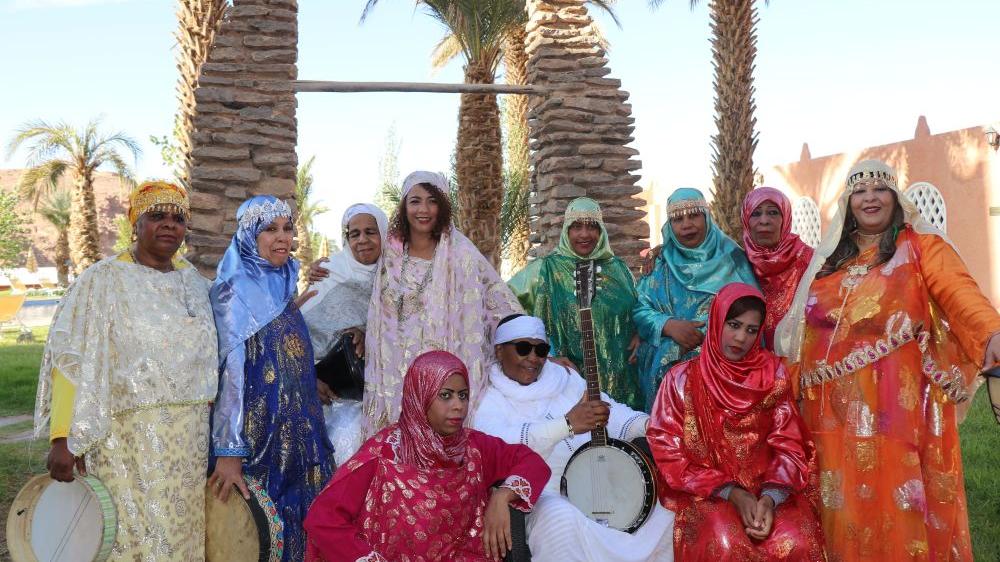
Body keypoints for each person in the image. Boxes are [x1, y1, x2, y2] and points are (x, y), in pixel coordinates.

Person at [774, 160, 1000, 562]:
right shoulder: (830, 260)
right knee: (839, 503)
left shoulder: (920, 247)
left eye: (880, 189)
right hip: (829, 418)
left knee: (896, 498)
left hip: (895, 410)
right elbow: (798, 332)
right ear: (848, 202)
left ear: (896, 198)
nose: (870, 198)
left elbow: (959, 292)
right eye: (860, 191)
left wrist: (990, 333)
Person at [35, 181, 218, 560]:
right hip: (123, 439)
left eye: (178, 218)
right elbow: (70, 360)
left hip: (189, 442)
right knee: (128, 538)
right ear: (135, 223)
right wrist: (62, 437)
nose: (169, 225)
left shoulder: (198, 285)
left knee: (180, 536)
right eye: (157, 216)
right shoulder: (101, 281)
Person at [304, 350, 551, 561]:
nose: (458, 406)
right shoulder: (385, 454)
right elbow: (323, 519)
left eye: (463, 395)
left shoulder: (474, 447)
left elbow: (530, 461)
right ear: (419, 396)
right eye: (445, 395)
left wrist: (503, 496)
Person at [472, 314, 675, 562]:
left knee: (665, 518)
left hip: (598, 482)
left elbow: (612, 411)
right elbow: (501, 448)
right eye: (523, 348)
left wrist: (655, 425)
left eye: (541, 350)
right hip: (543, 494)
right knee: (561, 522)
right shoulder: (489, 400)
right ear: (500, 350)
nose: (533, 358)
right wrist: (566, 425)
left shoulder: (565, 379)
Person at [648, 283, 825, 561]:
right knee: (725, 544)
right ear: (717, 320)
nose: (740, 337)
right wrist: (731, 493)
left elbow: (790, 446)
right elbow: (667, 451)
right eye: (733, 324)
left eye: (751, 330)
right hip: (708, 493)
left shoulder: (773, 375)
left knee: (798, 540)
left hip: (768, 488)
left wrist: (769, 499)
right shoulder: (681, 380)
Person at [208, 195, 335, 562]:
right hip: (258, 436)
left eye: (287, 227)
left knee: (306, 524)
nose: (283, 237)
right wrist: (229, 451)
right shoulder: (233, 291)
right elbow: (230, 378)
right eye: (270, 229)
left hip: (301, 428)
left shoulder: (282, 279)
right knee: (262, 532)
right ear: (249, 235)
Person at [362, 170, 523, 435]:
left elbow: (501, 304)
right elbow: (356, 272)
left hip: (447, 372)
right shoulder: (390, 253)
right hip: (395, 376)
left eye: (432, 200)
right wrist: (325, 270)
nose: (423, 209)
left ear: (443, 205)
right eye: (415, 201)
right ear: (404, 206)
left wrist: (537, 349)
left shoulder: (461, 252)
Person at [508, 198, 643, 410]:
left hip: (623, 382)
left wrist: (642, 332)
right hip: (567, 386)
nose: (584, 234)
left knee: (623, 435)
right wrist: (543, 353)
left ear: (601, 231)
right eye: (576, 227)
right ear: (566, 231)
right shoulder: (545, 270)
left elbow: (640, 308)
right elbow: (504, 304)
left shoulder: (619, 270)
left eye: (592, 226)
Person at [633, 188, 757, 410]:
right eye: (678, 219)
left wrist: (704, 337)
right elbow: (640, 308)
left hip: (725, 376)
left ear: (706, 217)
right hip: (670, 385)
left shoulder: (733, 258)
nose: (686, 224)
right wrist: (668, 326)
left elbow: (754, 311)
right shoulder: (660, 264)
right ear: (669, 225)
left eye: (693, 215)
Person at [301, 203, 388, 465]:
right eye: (354, 233)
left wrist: (367, 333)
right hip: (316, 388)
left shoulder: (395, 277)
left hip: (370, 395)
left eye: (370, 232)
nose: (362, 240)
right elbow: (297, 332)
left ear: (384, 234)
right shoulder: (329, 271)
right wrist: (306, 377)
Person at [740, 187, 814, 349]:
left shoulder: (811, 260)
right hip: (748, 364)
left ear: (785, 218)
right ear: (746, 219)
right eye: (756, 213)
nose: (764, 220)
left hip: (798, 361)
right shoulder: (736, 263)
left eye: (773, 213)